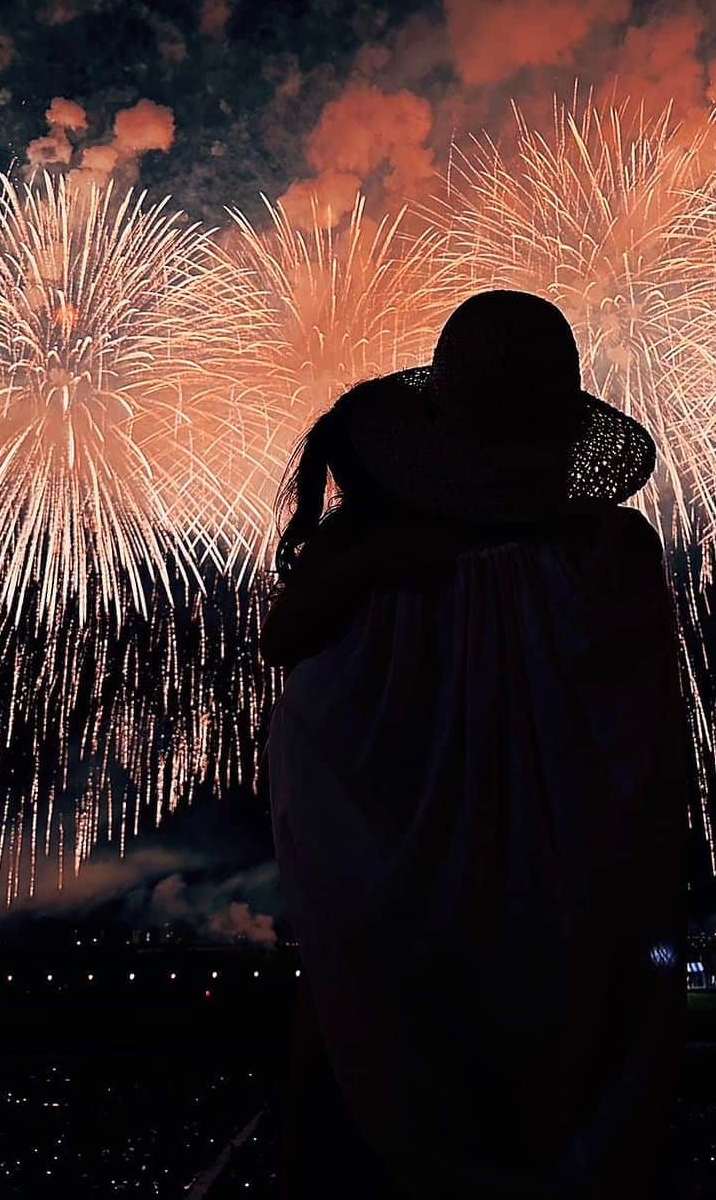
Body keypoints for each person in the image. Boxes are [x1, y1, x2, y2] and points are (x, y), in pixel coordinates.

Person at [261, 290, 691, 1198]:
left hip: (386, 923)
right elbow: (639, 752)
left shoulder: (371, 552)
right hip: (565, 917)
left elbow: (297, 670)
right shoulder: (609, 552)